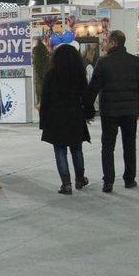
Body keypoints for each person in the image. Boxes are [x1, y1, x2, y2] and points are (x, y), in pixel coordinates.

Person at [86, 30, 139, 193]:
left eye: (106, 41)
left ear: (113, 43)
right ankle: (129, 179)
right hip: (130, 112)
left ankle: (108, 182)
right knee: (129, 145)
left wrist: (88, 110)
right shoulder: (135, 61)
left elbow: (93, 89)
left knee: (107, 147)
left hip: (109, 112)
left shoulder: (103, 63)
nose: (104, 44)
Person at [40, 44, 91, 195]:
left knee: (60, 150)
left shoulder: (51, 74)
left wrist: (43, 121)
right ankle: (80, 179)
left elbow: (45, 99)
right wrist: (88, 113)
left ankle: (66, 184)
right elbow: (85, 96)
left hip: (56, 117)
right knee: (76, 149)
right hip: (75, 115)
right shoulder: (79, 74)